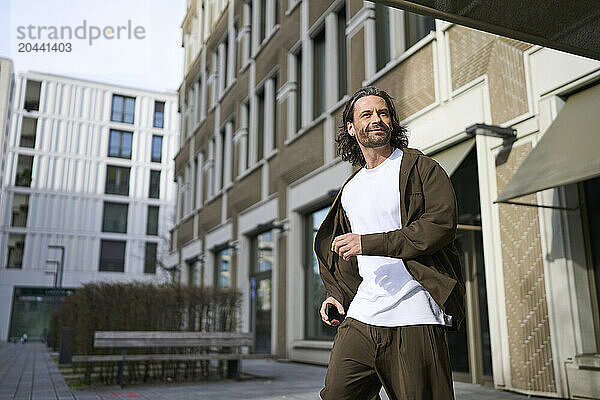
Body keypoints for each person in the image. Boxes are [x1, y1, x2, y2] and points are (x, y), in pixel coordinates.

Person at [315, 86, 465, 400]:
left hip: (415, 312)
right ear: (352, 128)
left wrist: (369, 243)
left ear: (392, 123)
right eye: (366, 114)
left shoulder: (422, 169)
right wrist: (337, 295)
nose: (377, 119)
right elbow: (346, 254)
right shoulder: (351, 189)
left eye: (383, 113)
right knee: (337, 395)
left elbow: (439, 226)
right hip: (364, 314)